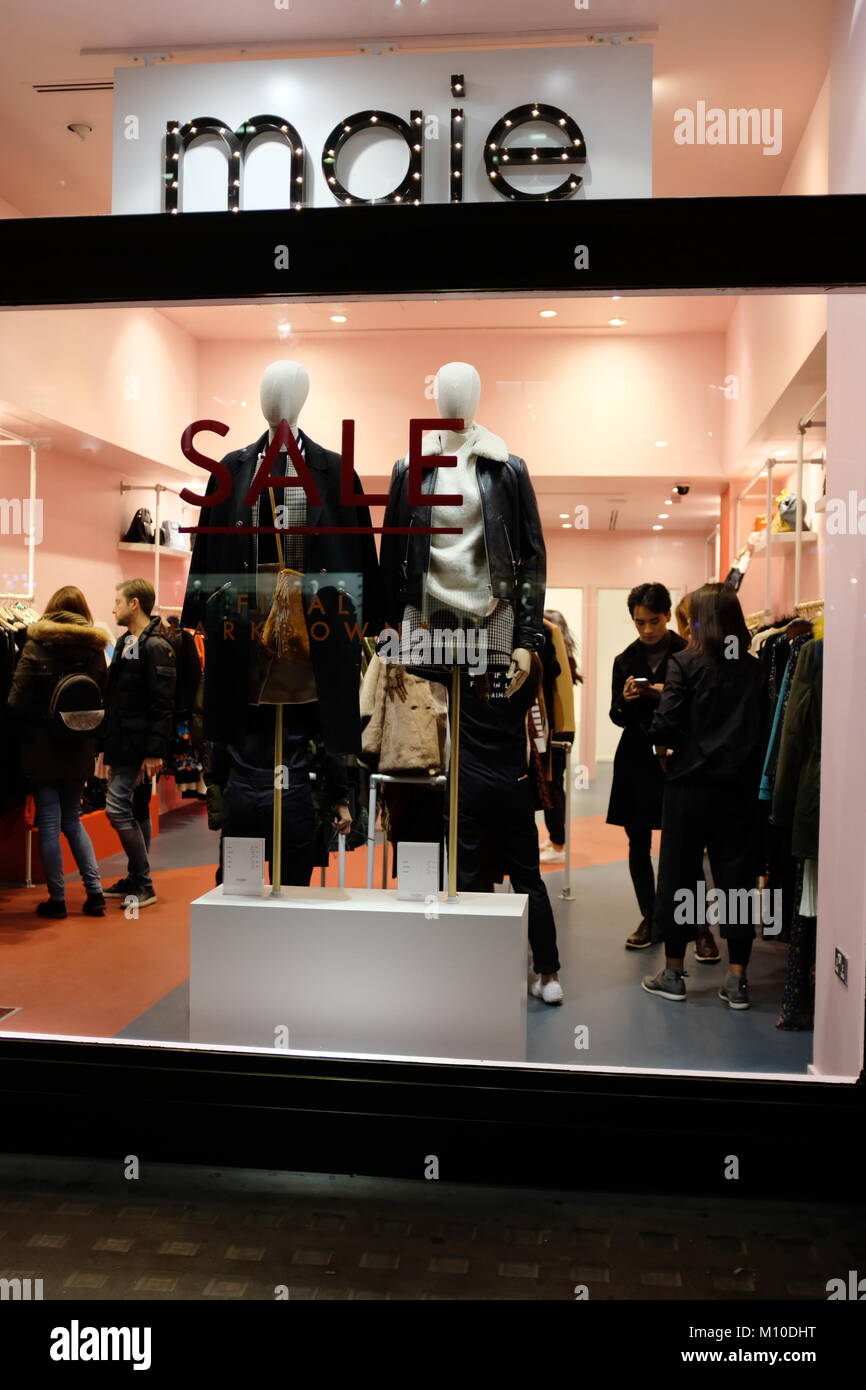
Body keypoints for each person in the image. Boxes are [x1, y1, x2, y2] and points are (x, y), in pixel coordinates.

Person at [642, 583, 768, 1010]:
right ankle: (737, 981)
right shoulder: (753, 669)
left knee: (678, 875)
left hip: (688, 789)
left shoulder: (684, 663)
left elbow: (664, 725)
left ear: (701, 621)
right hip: (738, 792)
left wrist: (665, 742)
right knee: (737, 881)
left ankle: (674, 973)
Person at [455, 660, 563, 1004]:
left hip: (469, 789)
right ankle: (549, 977)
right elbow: (551, 662)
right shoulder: (528, 670)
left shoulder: (457, 665)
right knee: (529, 881)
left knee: (468, 880)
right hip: (514, 787)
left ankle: (473, 973)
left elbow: (401, 655)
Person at [7, 586, 108, 919]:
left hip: (41, 747)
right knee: (72, 821)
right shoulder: (95, 650)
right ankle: (95, 894)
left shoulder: (37, 645)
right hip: (80, 746)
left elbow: (16, 701)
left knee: (49, 822)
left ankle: (58, 900)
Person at [101, 579, 176, 909]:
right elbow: (118, 697)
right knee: (135, 807)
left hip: (139, 745)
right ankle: (137, 878)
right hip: (123, 741)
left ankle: (143, 882)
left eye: (117, 600)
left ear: (134, 604)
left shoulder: (157, 646)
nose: (113, 607)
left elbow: (163, 704)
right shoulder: (124, 643)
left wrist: (153, 752)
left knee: (116, 808)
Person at [538, 609, 581, 864]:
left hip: (556, 729)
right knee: (553, 786)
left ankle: (558, 842)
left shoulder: (558, 652)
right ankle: (556, 840)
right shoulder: (565, 654)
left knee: (552, 787)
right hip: (557, 727)